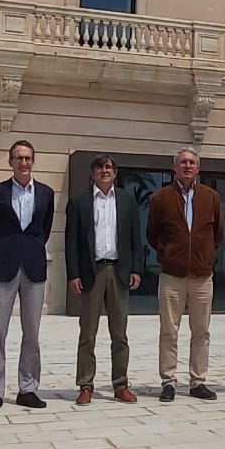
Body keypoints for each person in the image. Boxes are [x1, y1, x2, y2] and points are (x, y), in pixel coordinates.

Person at [0, 140, 54, 413]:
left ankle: (28, 388)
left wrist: (28, 250)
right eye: (19, 158)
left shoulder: (46, 194)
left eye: (28, 158)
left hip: (34, 269)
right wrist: (6, 251)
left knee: (32, 332)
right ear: (10, 161)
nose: (24, 163)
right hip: (3, 268)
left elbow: (43, 231)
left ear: (34, 161)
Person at [64, 155, 144, 405]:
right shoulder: (79, 202)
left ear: (115, 172)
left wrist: (136, 269)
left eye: (108, 167)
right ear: (92, 173)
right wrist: (73, 274)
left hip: (119, 271)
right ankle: (85, 384)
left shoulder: (126, 200)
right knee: (88, 332)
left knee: (119, 333)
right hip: (92, 272)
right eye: (99, 167)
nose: (104, 171)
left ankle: (120, 384)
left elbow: (134, 238)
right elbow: (71, 242)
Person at [144, 147, 220, 402]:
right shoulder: (160, 198)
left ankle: (198, 381)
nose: (187, 166)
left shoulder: (211, 197)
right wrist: (169, 254)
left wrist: (205, 256)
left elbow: (217, 234)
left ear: (198, 169)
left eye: (191, 163)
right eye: (182, 162)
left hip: (202, 276)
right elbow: (152, 235)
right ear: (174, 167)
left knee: (202, 331)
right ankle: (168, 381)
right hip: (171, 276)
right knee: (169, 330)